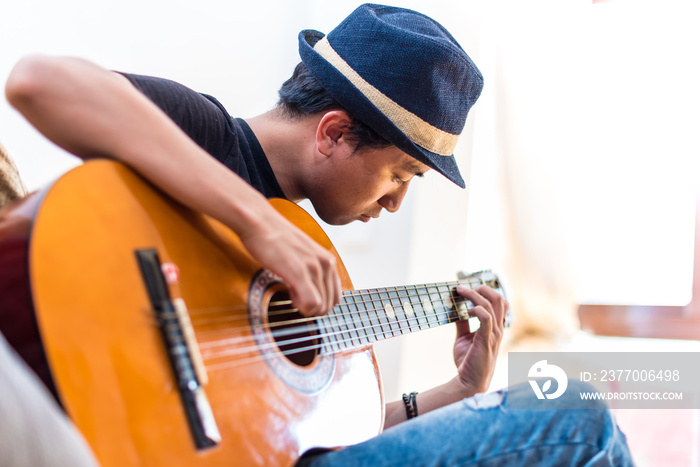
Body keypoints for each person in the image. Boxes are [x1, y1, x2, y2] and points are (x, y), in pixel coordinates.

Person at [4, 3, 633, 465]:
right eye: (399, 174)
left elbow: (308, 438)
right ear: (333, 132)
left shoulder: (307, 257)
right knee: (577, 418)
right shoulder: (213, 139)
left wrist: (461, 390)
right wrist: (255, 222)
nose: (395, 202)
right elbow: (38, 82)